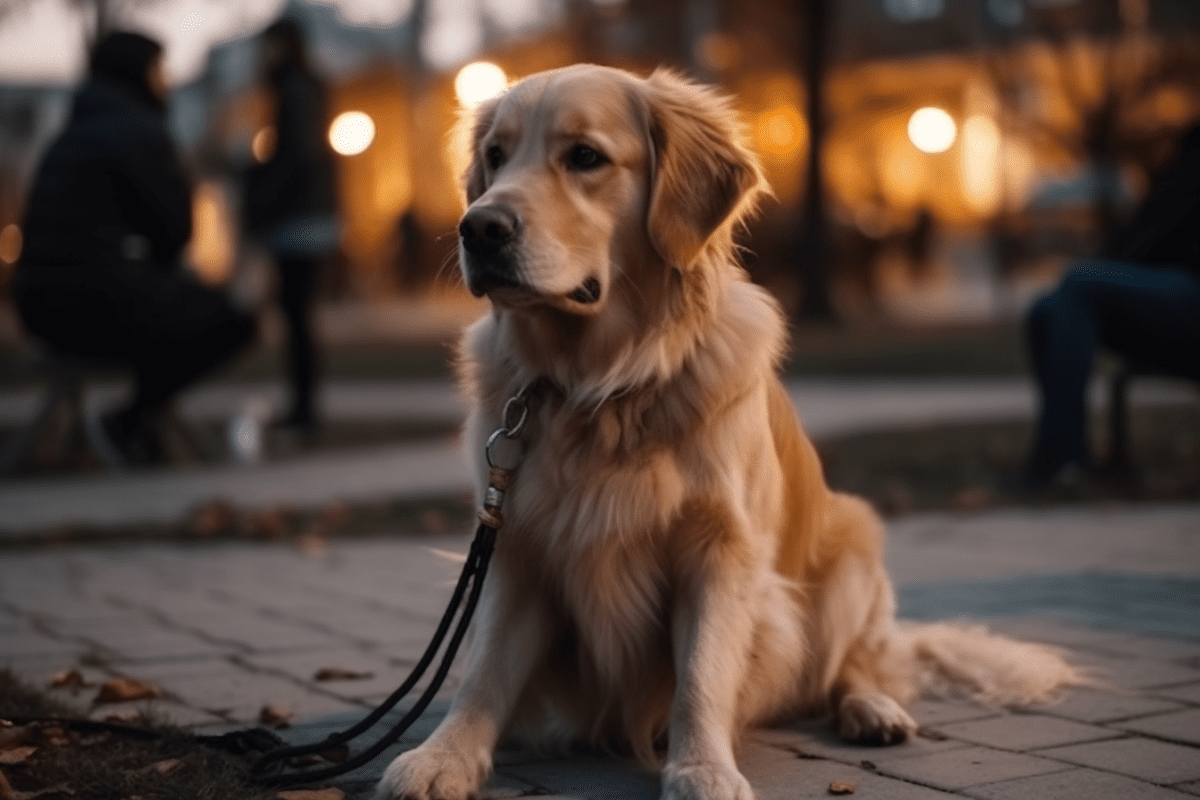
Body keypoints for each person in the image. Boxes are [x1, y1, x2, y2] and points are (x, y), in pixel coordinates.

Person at [13, 31, 256, 464]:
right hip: (95, 302)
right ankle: (128, 422)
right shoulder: (137, 130)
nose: (165, 82)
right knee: (234, 320)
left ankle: (138, 432)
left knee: (165, 308)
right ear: (141, 74)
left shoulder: (73, 130)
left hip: (39, 306)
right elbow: (174, 231)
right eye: (159, 71)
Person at [1024, 125, 1200, 488]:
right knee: (1045, 311)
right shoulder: (1185, 151)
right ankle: (1066, 455)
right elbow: (1148, 234)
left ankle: (1061, 461)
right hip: (1171, 289)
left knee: (1080, 284)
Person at [244, 18, 339, 434]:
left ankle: (303, 410)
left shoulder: (294, 90)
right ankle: (303, 406)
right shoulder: (306, 87)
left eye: (269, 45)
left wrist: (262, 196)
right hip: (310, 213)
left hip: (298, 217)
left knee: (296, 314)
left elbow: (297, 156)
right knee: (298, 315)